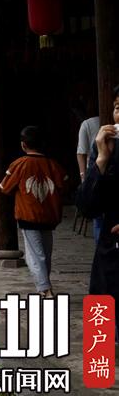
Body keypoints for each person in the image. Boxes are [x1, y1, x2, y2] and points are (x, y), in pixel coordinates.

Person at [0, 126, 67, 298]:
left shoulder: (19, 164)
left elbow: (4, 187)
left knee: (36, 254)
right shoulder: (53, 164)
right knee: (45, 252)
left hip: (28, 215)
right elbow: (64, 185)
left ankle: (45, 288)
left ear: (23, 145)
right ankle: (44, 285)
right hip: (49, 215)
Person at [77, 86, 119, 307]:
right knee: (101, 316)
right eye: (117, 108)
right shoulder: (108, 148)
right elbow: (87, 207)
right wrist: (102, 159)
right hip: (111, 249)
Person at [77, 111, 102, 241]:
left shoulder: (87, 124)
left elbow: (81, 152)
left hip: (96, 175)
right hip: (97, 174)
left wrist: (84, 178)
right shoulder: (88, 125)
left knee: (99, 220)